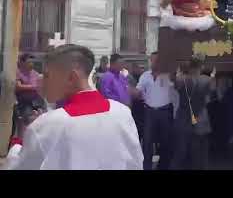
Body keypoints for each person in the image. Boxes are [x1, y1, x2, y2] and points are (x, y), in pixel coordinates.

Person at [5, 44, 143, 170]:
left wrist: (20, 140)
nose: (42, 81)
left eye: (47, 75)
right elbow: (136, 162)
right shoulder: (122, 113)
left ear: (71, 78)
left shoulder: (46, 124)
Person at [169, 55, 216, 170]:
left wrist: (178, 71)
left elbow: (173, 80)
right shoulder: (207, 80)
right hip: (200, 120)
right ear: (202, 66)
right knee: (200, 154)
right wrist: (213, 75)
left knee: (180, 152)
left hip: (183, 119)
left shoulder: (181, 79)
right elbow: (212, 92)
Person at [131, 52, 174, 170]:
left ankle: (163, 166)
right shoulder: (145, 75)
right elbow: (138, 91)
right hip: (149, 112)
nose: (153, 62)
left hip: (165, 112)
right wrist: (133, 91)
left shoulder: (167, 75)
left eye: (156, 60)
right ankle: (147, 167)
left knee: (165, 141)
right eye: (152, 60)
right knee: (147, 141)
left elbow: (173, 87)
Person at [128, 63, 145, 143]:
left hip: (140, 106)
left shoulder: (142, 77)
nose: (140, 70)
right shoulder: (129, 78)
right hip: (135, 105)